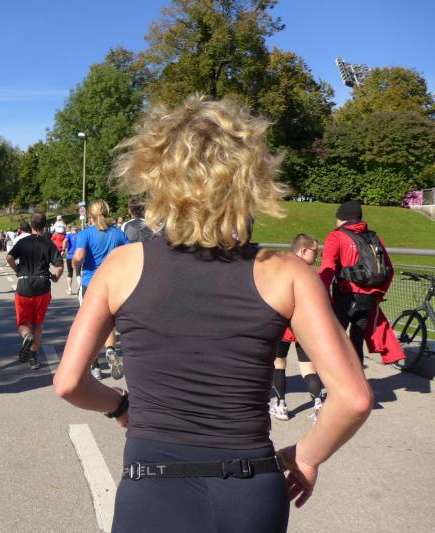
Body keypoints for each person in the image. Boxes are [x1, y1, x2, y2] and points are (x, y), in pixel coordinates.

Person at [53, 96, 373, 533]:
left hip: (152, 486)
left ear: (156, 177)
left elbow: (69, 383)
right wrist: (307, 456)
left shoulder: (122, 266)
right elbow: (353, 398)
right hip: (250, 488)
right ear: (250, 178)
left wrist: (120, 405)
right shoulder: (286, 273)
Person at [319, 200, 394, 366]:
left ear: (341, 218)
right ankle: (358, 377)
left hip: (345, 296)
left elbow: (328, 269)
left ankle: (338, 378)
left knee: (335, 339)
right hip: (368, 299)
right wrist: (378, 294)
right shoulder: (374, 237)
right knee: (357, 341)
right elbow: (389, 270)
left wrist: (322, 295)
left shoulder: (336, 236)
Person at [270, 234, 327, 423]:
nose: (317, 256)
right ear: (303, 250)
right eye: (315, 252)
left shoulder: (282, 270)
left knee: (279, 363)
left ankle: (281, 405)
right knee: (307, 367)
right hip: (304, 327)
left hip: (283, 325)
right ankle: (318, 404)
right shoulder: (312, 275)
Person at [73, 200, 128, 380]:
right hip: (113, 284)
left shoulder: (85, 234)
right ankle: (110, 350)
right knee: (108, 322)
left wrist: (75, 266)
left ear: (90, 215)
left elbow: (79, 256)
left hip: (91, 283)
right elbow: (128, 253)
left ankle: (95, 366)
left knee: (91, 325)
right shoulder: (118, 233)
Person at [7, 213, 64, 370]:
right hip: (43, 286)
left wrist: (17, 270)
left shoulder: (22, 242)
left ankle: (27, 336)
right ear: (45, 226)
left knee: (23, 323)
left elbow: (9, 257)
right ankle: (33, 358)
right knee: (37, 324)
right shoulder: (48, 243)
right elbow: (60, 266)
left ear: (31, 225)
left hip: (24, 285)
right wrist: (55, 277)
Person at [63, 225, 80, 295]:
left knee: (70, 272)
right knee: (78, 273)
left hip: (70, 255)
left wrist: (63, 250)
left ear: (71, 229)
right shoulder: (80, 235)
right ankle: (81, 288)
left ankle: (69, 289)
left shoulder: (68, 235)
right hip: (78, 255)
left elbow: (65, 241)